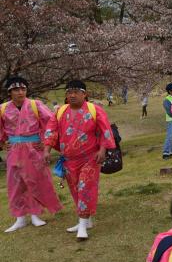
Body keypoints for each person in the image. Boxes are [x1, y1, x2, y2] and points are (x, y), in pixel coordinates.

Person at [43, 80, 116, 240]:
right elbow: (51, 131)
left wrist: (103, 149)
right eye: (69, 92)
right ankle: (86, 220)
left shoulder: (95, 110)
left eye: (76, 92)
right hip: (69, 159)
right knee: (75, 190)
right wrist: (47, 150)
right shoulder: (60, 112)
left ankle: (82, 225)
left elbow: (105, 130)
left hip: (90, 158)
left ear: (85, 94)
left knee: (85, 188)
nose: (73, 95)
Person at [0, 77, 62, 232]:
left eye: (23, 89)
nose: (20, 92)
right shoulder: (2, 109)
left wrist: (45, 140)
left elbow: (51, 122)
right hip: (14, 150)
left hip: (34, 150)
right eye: (16, 89)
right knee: (15, 183)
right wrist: (2, 143)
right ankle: (20, 218)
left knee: (35, 181)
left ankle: (35, 214)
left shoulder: (36, 105)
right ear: (10, 92)